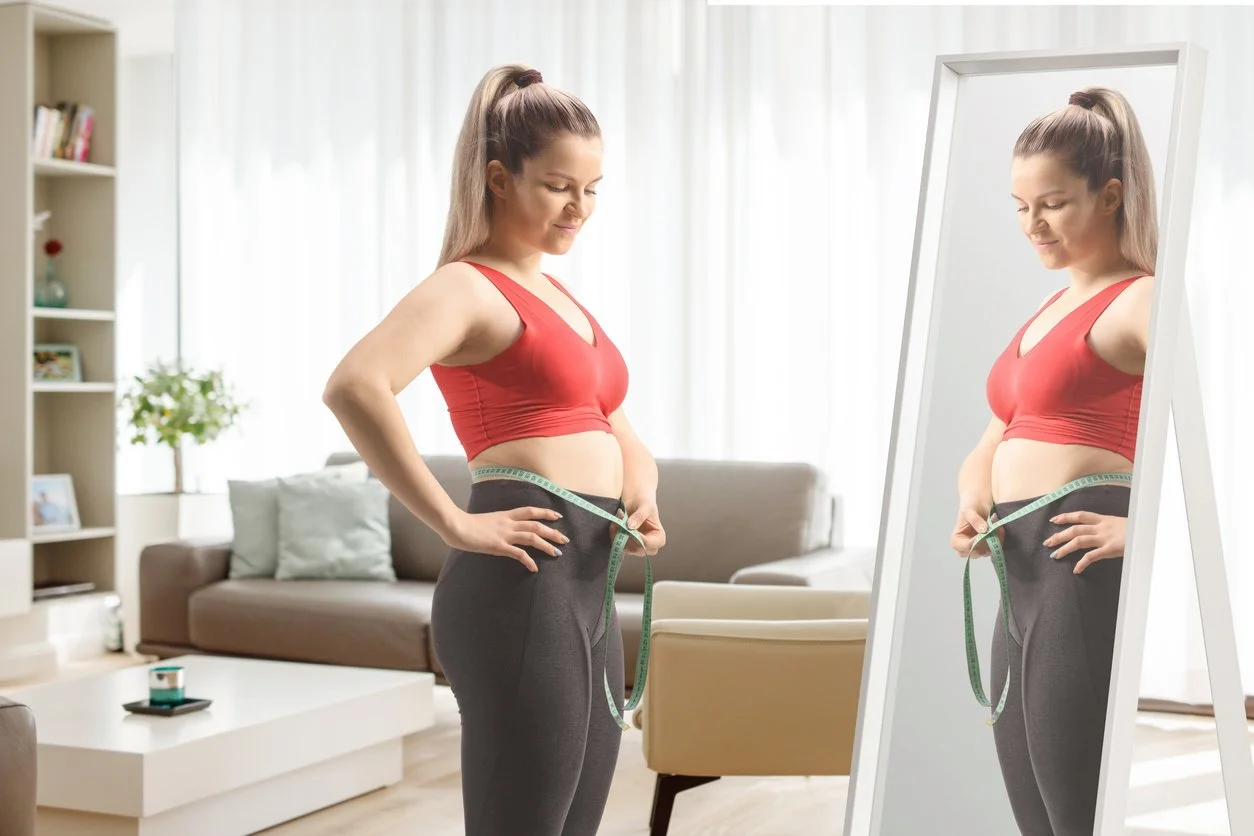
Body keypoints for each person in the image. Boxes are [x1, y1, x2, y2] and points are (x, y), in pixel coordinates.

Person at [322, 64, 666, 836]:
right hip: (522, 580)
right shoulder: (466, 287)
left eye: (593, 188)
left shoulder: (560, 294)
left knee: (576, 822)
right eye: (558, 186)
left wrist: (641, 488)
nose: (580, 208)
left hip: (588, 578)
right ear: (500, 179)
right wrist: (452, 522)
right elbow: (355, 386)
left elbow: (614, 419)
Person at [951, 87, 1157, 836]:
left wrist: (1147, 530)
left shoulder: (1140, 300)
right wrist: (973, 495)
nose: (1032, 225)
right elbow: (999, 430)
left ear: (1109, 196)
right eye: (1019, 205)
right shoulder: (1047, 310)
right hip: (1017, 568)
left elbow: (1215, 429)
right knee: (1032, 808)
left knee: (1075, 811)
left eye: (1054, 204)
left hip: (1076, 565)